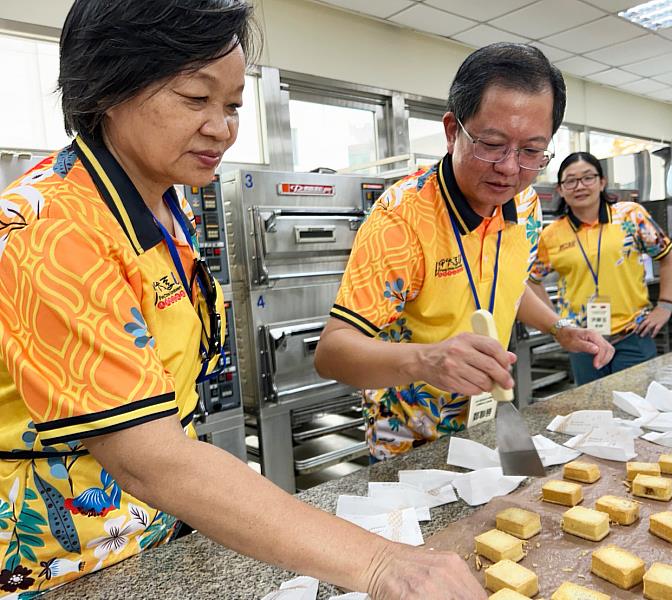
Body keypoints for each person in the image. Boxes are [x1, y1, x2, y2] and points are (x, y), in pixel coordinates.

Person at [0, 2, 486, 598]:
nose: (222, 128)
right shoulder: (50, 229)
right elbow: (147, 457)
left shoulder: (161, 203)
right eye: (194, 97)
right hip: (56, 565)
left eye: (231, 106)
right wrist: (380, 563)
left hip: (143, 536)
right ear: (106, 86)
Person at [315, 43, 614, 462]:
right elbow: (332, 353)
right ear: (453, 130)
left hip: (492, 414)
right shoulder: (400, 218)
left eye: (531, 151)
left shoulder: (525, 204)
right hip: (409, 438)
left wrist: (559, 326)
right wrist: (427, 360)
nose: (510, 168)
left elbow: (507, 283)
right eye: (492, 144)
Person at [529, 152, 672, 385]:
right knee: (593, 412)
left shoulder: (630, 216)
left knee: (638, 410)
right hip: (584, 341)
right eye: (570, 181)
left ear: (602, 182)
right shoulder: (551, 235)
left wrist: (665, 306)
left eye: (588, 178)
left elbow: (669, 256)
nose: (579, 186)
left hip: (633, 335)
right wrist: (557, 324)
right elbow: (531, 280)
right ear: (560, 190)